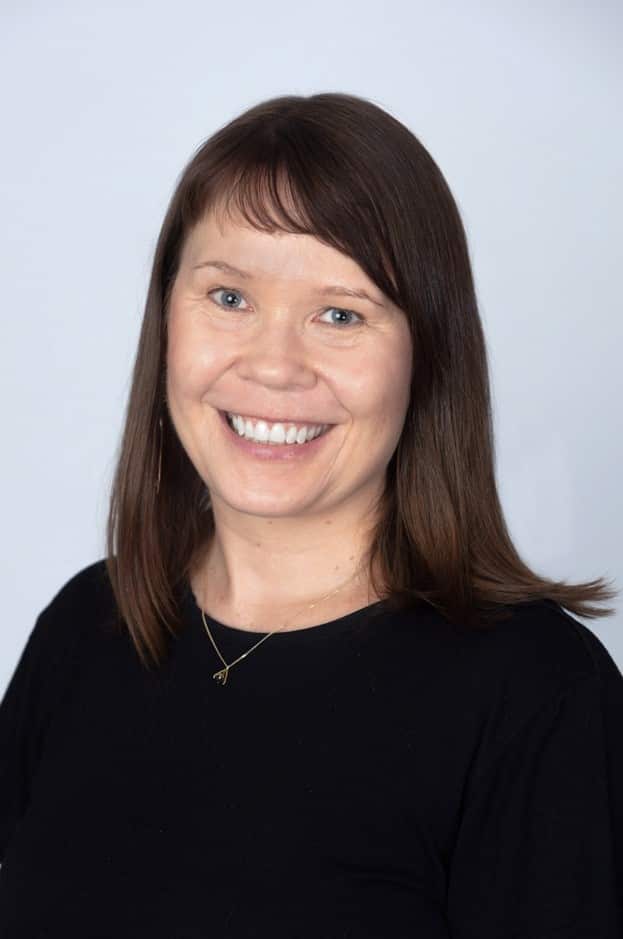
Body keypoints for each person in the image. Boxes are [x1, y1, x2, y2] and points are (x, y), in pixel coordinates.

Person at [0, 92, 621, 938]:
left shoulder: (537, 693)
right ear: (166, 318)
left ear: (427, 356)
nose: (274, 365)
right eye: (229, 297)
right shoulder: (88, 624)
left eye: (340, 314)